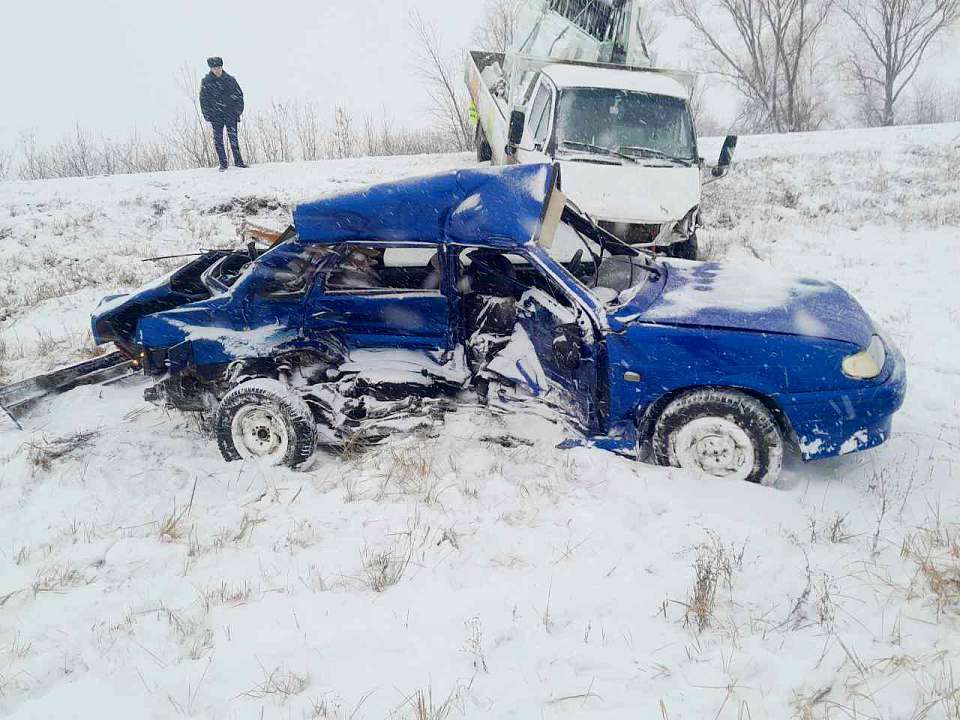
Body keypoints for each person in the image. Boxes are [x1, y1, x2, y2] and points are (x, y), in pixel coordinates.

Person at [199, 57, 246, 171]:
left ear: (222, 67)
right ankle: (223, 164)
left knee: (234, 139)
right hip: (216, 116)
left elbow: (239, 96)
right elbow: (203, 100)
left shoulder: (230, 80)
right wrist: (208, 115)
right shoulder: (206, 82)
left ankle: (239, 162)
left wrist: (237, 112)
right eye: (215, 68)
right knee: (218, 140)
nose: (217, 70)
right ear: (211, 68)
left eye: (219, 67)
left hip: (231, 114)